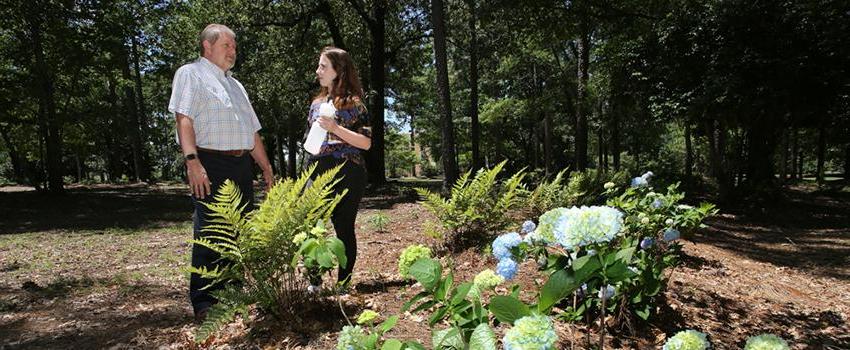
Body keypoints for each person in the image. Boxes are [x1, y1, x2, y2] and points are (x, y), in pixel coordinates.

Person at [168, 24, 274, 322]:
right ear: (207, 46)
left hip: (241, 165)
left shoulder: (236, 86)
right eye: (227, 45)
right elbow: (184, 119)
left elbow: (251, 132)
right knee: (211, 230)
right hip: (209, 163)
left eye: (234, 46)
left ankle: (233, 294)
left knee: (238, 231)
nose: (233, 51)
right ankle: (205, 303)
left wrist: (265, 168)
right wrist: (192, 161)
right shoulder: (190, 73)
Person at [306, 46, 371, 293]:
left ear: (338, 70)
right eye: (319, 65)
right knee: (311, 226)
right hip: (318, 169)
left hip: (348, 171)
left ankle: (343, 284)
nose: (317, 71)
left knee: (344, 227)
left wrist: (335, 128)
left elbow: (366, 142)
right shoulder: (315, 104)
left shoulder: (356, 105)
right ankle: (314, 282)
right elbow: (309, 140)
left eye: (323, 66)